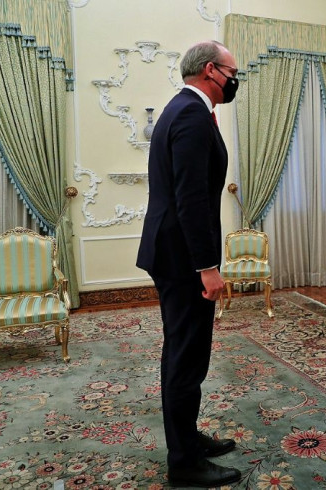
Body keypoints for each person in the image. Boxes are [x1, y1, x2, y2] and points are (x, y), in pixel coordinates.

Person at [136, 40, 242, 488]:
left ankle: (187, 438)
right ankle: (184, 463)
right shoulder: (193, 115)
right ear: (211, 70)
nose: (236, 80)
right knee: (186, 356)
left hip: (172, 249)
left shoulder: (180, 109)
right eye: (233, 71)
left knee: (183, 352)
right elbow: (191, 198)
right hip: (182, 256)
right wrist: (207, 266)